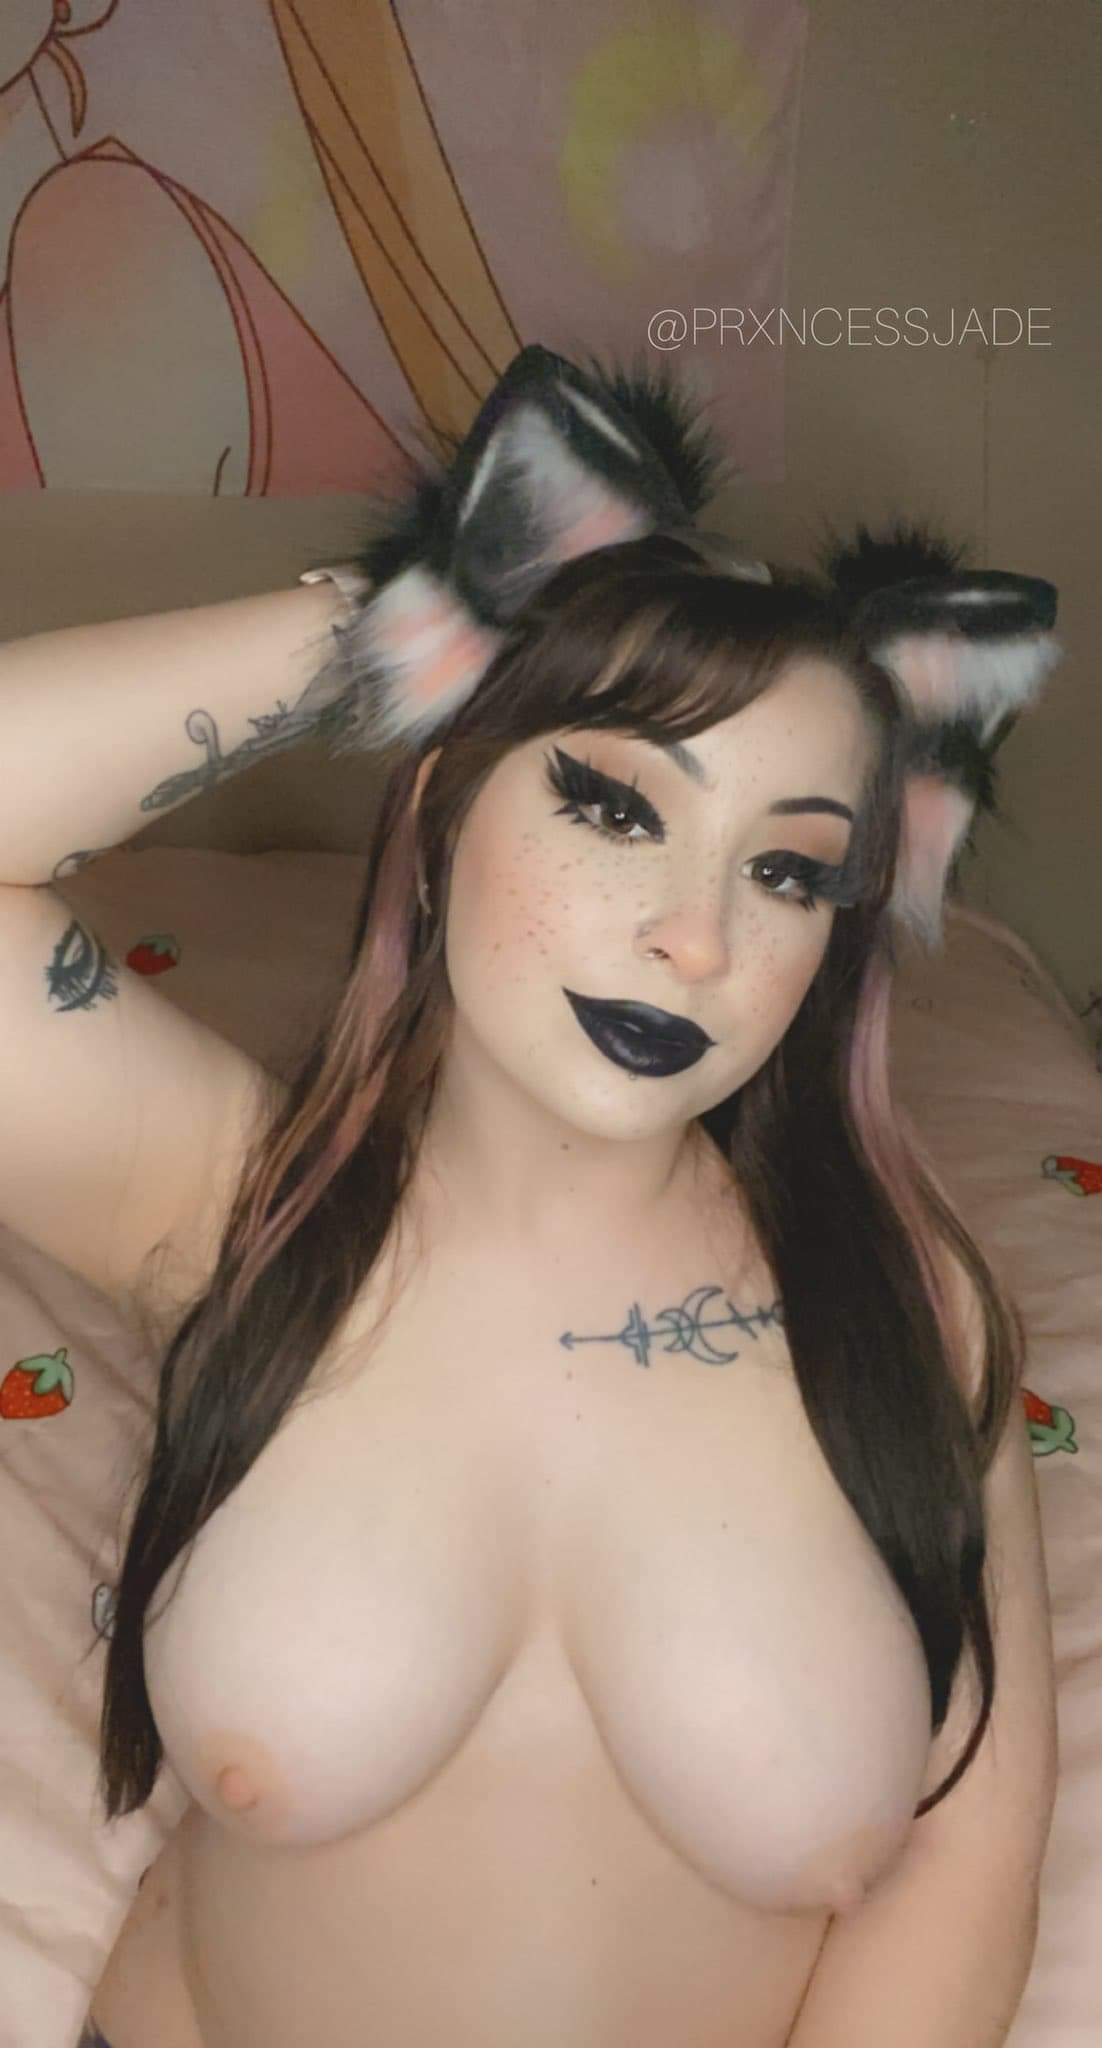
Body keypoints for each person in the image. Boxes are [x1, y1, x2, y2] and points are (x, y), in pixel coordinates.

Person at [0, 344, 1059, 2047]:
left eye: (788, 868)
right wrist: (418, 618)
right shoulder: (234, 1210)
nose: (696, 937)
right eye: (612, 806)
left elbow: (965, 1857)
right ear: (439, 813)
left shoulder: (909, 1305)